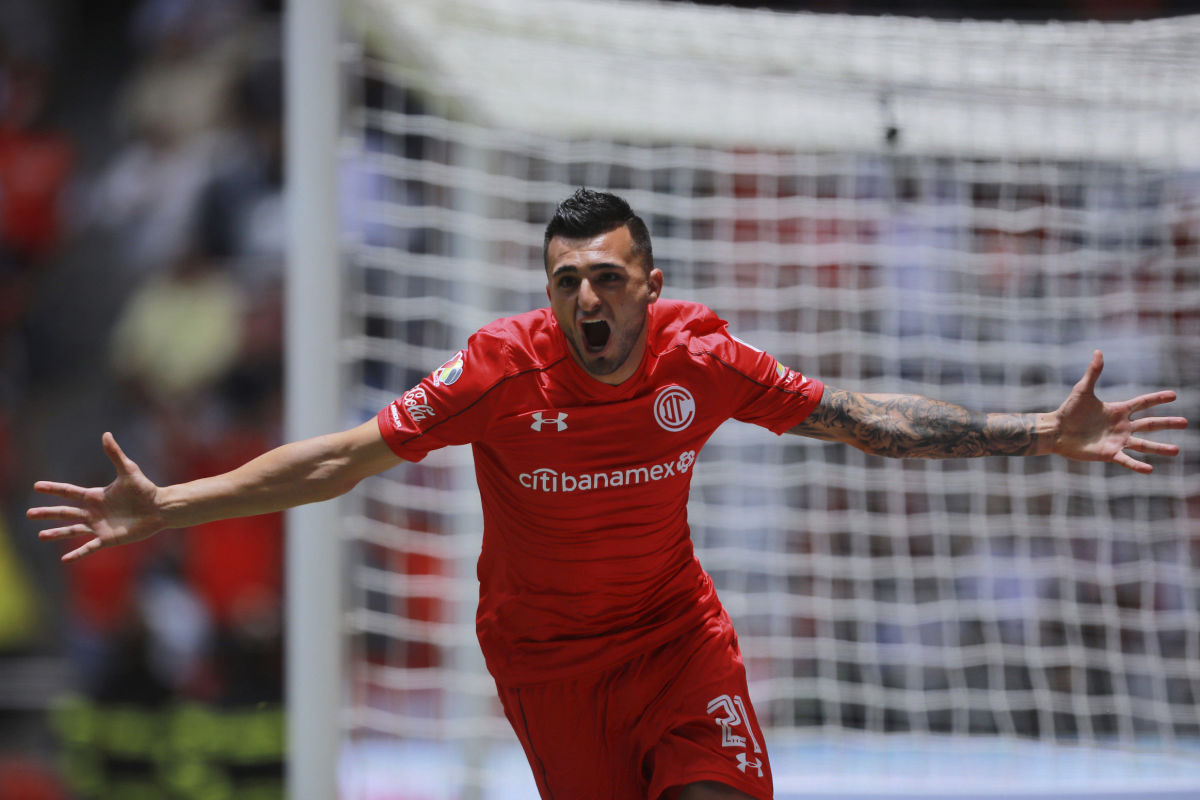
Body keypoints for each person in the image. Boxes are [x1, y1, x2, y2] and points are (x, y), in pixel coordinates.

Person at [28, 189, 1187, 800]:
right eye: (566, 280)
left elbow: (859, 419)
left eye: (607, 278)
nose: (587, 297)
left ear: (650, 286)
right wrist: (169, 505)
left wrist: (1039, 431)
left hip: (677, 639)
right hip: (549, 665)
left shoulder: (704, 359)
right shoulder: (498, 371)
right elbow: (339, 458)